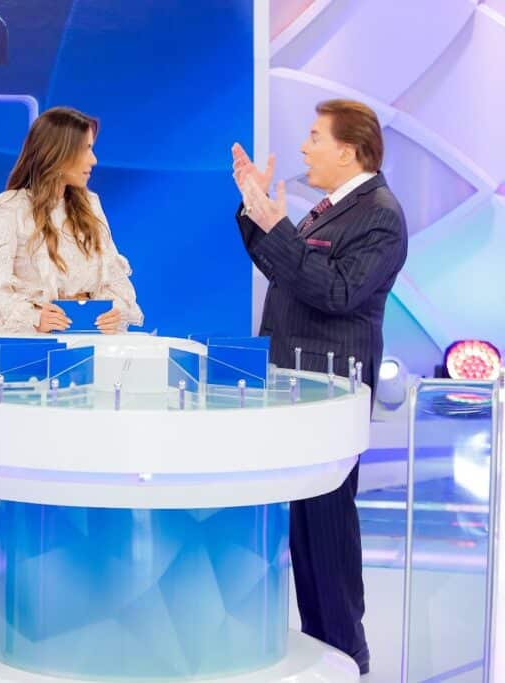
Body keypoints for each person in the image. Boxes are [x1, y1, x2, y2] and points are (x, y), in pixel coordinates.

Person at [232, 99, 408, 675]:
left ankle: (346, 655)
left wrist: (277, 224)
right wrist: (256, 213)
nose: (304, 147)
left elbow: (336, 293)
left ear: (349, 150)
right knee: (306, 531)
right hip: (297, 389)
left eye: (314, 137)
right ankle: (322, 648)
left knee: (328, 531)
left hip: (329, 394)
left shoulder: (378, 214)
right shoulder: (330, 209)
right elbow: (287, 271)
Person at [0, 106, 143, 340]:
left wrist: (116, 311)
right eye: (86, 149)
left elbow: (114, 278)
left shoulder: (91, 205)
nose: (94, 160)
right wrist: (34, 318)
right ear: (59, 153)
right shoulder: (11, 208)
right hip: (39, 348)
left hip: (93, 343)